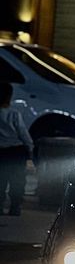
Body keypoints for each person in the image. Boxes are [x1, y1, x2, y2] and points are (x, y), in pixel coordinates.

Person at [0, 81, 35, 215]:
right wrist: (30, 147)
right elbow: (22, 132)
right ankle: (15, 207)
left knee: (1, 181)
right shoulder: (14, 113)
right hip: (15, 151)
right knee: (17, 182)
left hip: (1, 152)